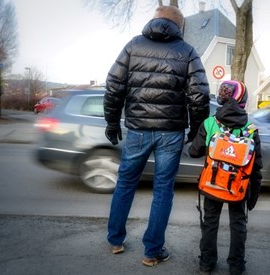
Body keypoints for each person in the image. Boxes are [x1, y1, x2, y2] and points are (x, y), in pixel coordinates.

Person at [103, 5, 210, 267]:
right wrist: (197, 130)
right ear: (179, 26)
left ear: (155, 21)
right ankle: (152, 251)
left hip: (138, 129)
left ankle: (116, 241)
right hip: (170, 133)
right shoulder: (187, 52)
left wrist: (112, 121)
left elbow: (114, 85)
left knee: (126, 183)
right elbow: (200, 96)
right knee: (163, 190)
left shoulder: (133, 46)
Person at [188, 80, 263, 275]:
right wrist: (253, 195)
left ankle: (206, 263)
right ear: (243, 101)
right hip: (238, 188)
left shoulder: (210, 123)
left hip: (213, 184)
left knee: (210, 221)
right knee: (238, 224)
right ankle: (236, 267)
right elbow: (256, 167)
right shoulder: (251, 129)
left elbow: (194, 152)